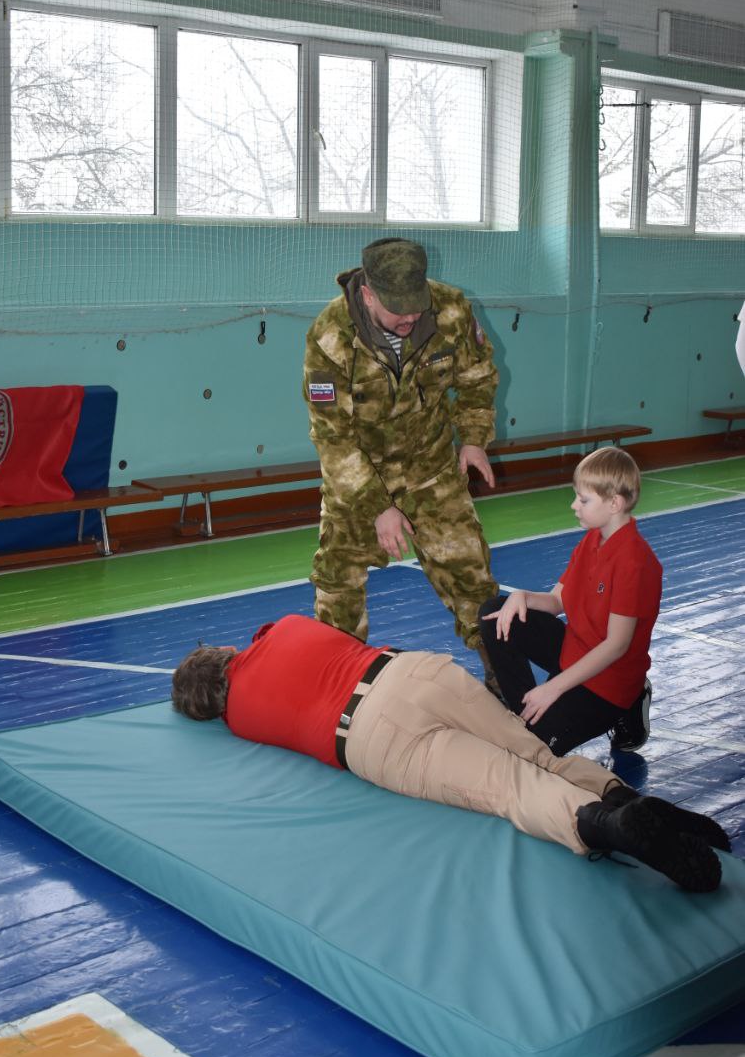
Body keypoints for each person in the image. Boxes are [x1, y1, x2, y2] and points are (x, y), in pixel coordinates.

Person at [171, 614, 729, 893]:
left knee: (510, 787)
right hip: (411, 671)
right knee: (537, 754)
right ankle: (625, 797)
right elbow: (272, 635)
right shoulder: (284, 628)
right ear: (223, 652)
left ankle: (610, 825)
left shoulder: (238, 717)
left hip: (370, 735)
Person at [303, 237, 499, 683]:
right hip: (359, 478)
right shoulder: (331, 335)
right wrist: (378, 506)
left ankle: (502, 675)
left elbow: (477, 378)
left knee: (471, 576)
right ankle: (336, 685)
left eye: (416, 305)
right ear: (368, 294)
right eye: (398, 309)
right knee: (338, 585)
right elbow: (333, 438)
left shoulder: (451, 310)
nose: (410, 317)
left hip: (430, 469)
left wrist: (473, 440)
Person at [479, 447, 660, 757]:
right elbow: (556, 601)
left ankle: (630, 702)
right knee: (496, 612)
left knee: (532, 752)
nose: (574, 505)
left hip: (609, 680)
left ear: (614, 503)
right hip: (576, 652)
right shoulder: (592, 539)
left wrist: (554, 687)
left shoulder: (634, 562)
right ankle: (527, 714)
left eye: (583, 500)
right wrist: (521, 596)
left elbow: (616, 646)